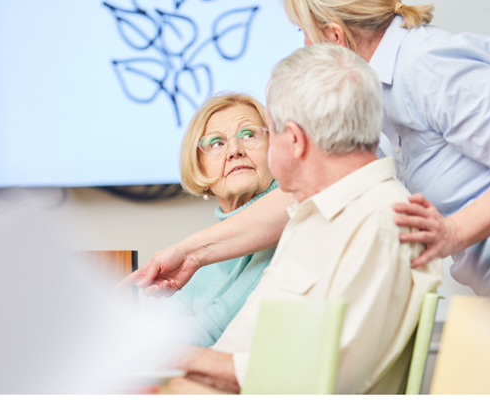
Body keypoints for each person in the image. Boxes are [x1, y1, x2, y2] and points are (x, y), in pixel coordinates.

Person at [127, 0, 490, 394]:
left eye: (302, 34)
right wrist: (191, 252)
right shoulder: (371, 107)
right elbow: (302, 197)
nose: (303, 47)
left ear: (333, 34)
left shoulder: (425, 62)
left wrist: (452, 231)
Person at [167, 43, 441, 394]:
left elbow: (322, 378)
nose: (240, 149)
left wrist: (182, 360)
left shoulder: (381, 224)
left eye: (265, 131)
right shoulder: (318, 218)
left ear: (294, 140)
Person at [155, 93, 278, 347]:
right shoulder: (203, 255)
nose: (234, 150)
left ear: (276, 148)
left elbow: (209, 329)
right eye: (216, 143)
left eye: (248, 134)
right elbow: (159, 327)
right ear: (199, 166)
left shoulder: (289, 227)